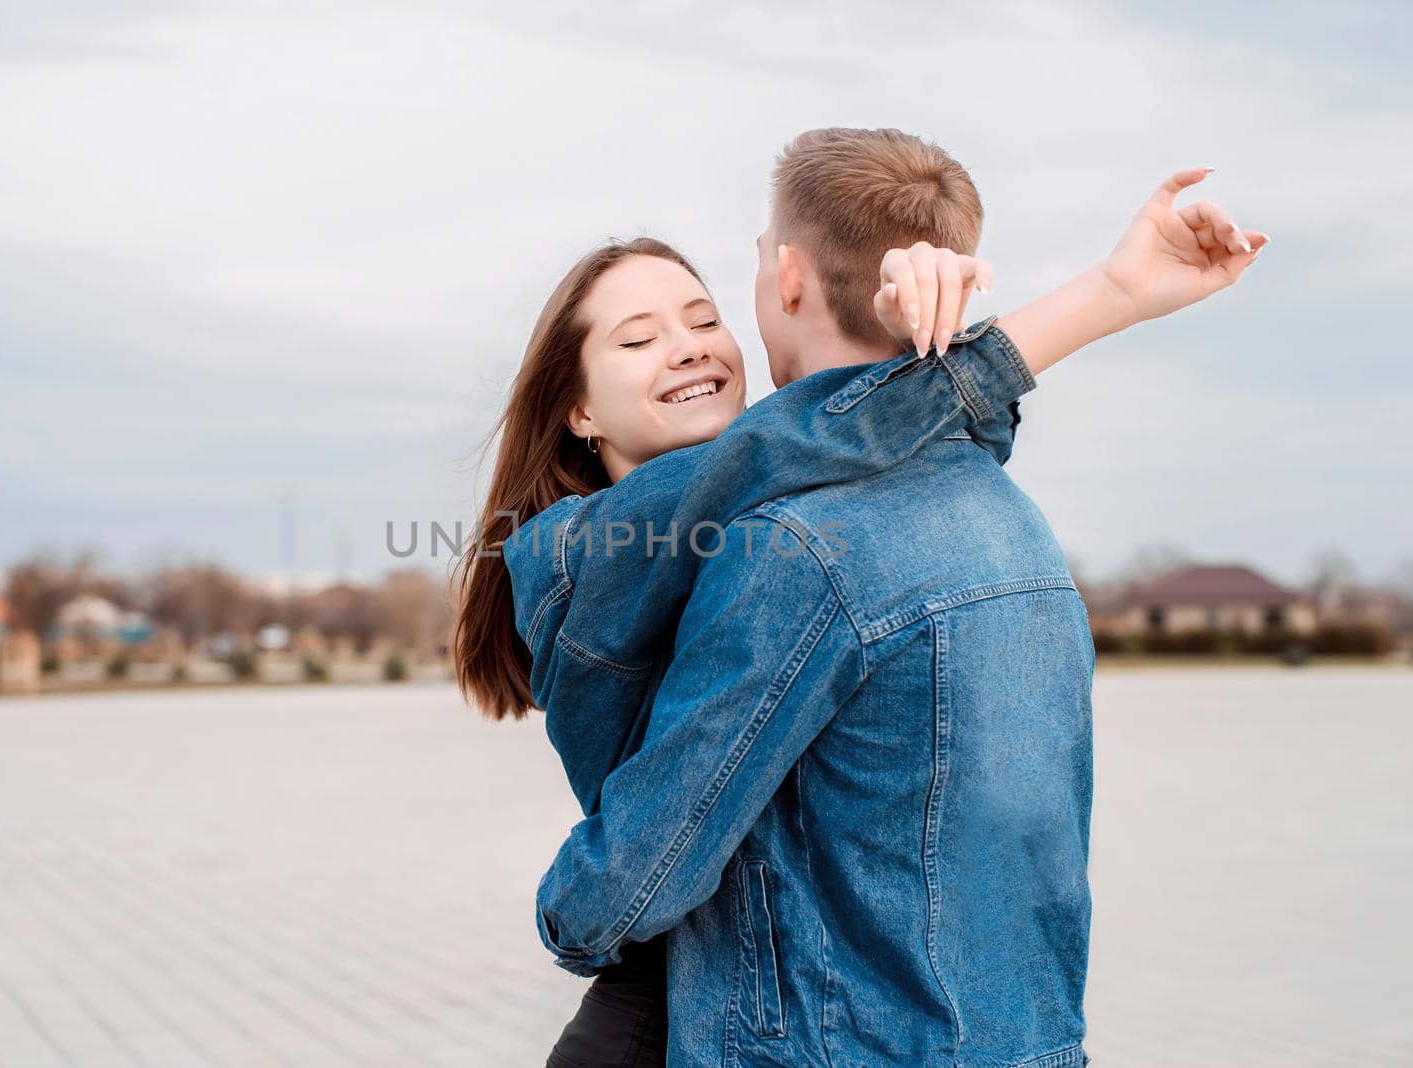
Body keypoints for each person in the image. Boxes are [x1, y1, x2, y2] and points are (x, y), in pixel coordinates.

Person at [455, 128, 1265, 1065]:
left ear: (782, 286)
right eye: (637, 339)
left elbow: (841, 439)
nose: (686, 348)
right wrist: (1078, 304)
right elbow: (812, 440)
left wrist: (912, 316)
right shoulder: (591, 548)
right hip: (672, 1008)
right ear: (579, 411)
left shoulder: (799, 514)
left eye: (703, 316)